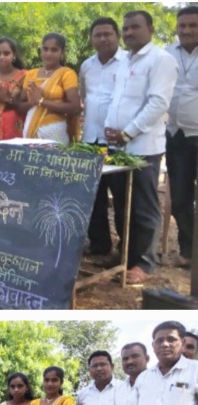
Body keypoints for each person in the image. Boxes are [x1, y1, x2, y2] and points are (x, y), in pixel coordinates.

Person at [104, 10, 178, 285]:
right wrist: (113, 129)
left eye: (135, 27)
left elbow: (158, 103)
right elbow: (119, 99)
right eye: (125, 28)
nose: (129, 33)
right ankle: (127, 255)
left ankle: (145, 263)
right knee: (123, 204)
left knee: (144, 206)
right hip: (117, 146)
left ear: (151, 29)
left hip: (143, 146)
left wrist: (128, 132)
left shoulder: (161, 59)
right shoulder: (125, 60)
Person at [79, 17, 128, 257]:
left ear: (117, 35)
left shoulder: (128, 62)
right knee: (93, 195)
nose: (102, 39)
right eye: (97, 35)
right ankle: (99, 245)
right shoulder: (86, 65)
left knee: (121, 197)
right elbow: (84, 97)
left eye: (107, 34)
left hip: (119, 142)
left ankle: (125, 249)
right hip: (91, 140)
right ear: (91, 39)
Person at [166, 6, 198, 269]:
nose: (186, 30)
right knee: (180, 197)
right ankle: (188, 252)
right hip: (175, 135)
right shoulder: (166, 54)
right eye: (182, 25)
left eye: (193, 25)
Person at [17, 33, 80, 144]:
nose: (48, 53)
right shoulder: (31, 74)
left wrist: (41, 101)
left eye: (54, 50)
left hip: (56, 136)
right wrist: (33, 102)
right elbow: (20, 106)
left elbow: (75, 107)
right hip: (30, 133)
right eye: (45, 49)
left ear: (62, 52)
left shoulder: (67, 74)